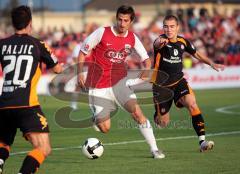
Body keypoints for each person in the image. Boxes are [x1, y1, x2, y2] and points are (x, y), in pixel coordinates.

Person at [78, 5, 164, 159]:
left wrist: (147, 69)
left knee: (138, 114)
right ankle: (96, 116)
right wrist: (79, 74)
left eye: (125, 20)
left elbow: (146, 59)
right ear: (116, 18)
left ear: (130, 22)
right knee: (105, 129)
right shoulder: (102, 32)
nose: (122, 23)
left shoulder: (132, 38)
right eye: (119, 19)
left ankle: (154, 149)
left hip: (119, 82)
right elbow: (83, 51)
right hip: (98, 85)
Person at [0, 6, 62, 174]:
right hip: (26, 105)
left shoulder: (2, 44)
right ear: (30, 23)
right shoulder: (37, 44)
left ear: (13, 24)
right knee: (43, 148)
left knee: (4, 144)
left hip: (4, 105)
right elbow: (57, 69)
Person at [151, 15, 225, 152]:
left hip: (179, 82)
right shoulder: (160, 41)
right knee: (162, 123)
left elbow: (196, 54)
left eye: (172, 26)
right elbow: (156, 43)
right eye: (166, 26)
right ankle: (157, 114)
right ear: (163, 28)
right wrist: (159, 43)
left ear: (177, 27)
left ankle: (202, 142)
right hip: (161, 87)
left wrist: (212, 63)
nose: (169, 29)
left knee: (192, 104)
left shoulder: (183, 41)